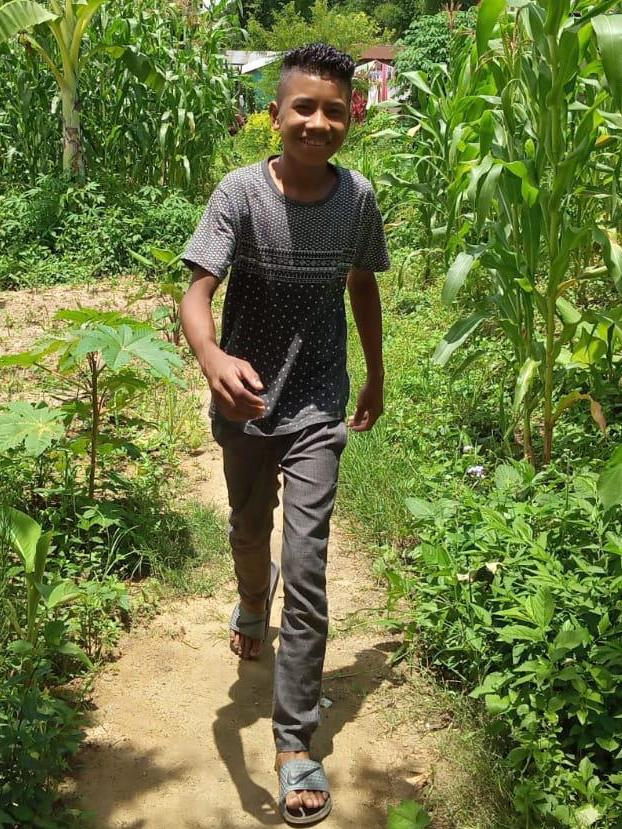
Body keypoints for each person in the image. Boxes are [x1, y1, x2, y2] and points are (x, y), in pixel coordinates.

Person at [179, 42, 389, 826]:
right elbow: (197, 292)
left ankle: (296, 739)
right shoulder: (239, 194)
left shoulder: (357, 198)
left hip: (318, 405)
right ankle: (247, 599)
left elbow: (361, 284)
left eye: (334, 110)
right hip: (246, 402)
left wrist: (375, 372)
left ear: (350, 118)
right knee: (248, 526)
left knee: (307, 567)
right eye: (303, 107)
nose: (318, 122)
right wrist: (211, 357)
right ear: (276, 114)